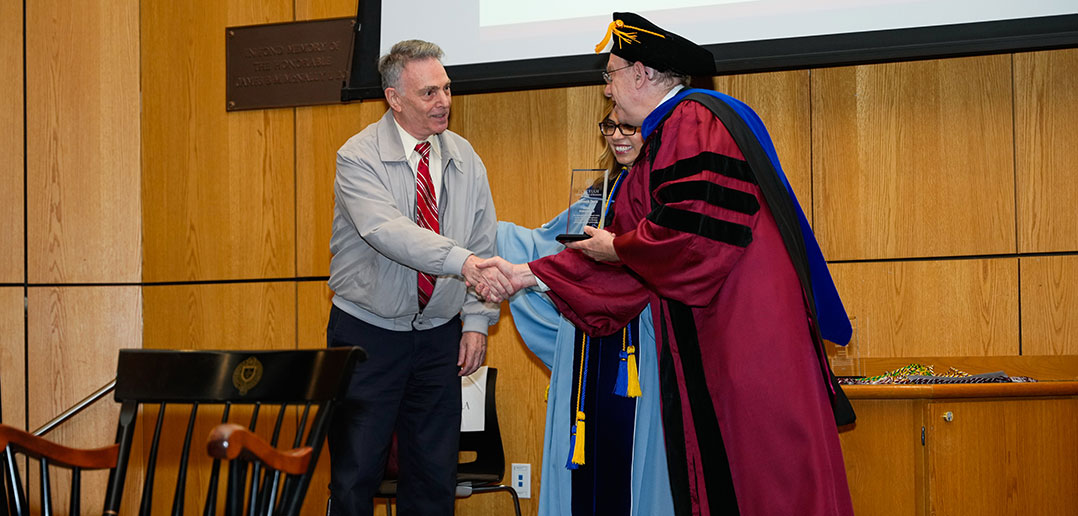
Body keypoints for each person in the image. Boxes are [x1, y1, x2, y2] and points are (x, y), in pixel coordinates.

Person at [477, 12, 856, 516]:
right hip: (719, 327)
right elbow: (635, 253)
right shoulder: (668, 134)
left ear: (641, 73)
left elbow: (688, 240)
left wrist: (617, 249)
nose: (607, 90)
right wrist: (529, 274)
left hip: (743, 331)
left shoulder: (694, 121)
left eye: (610, 75)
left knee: (768, 477)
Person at [325, 39, 508, 516]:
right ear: (394, 98)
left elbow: (483, 241)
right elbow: (388, 232)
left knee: (433, 476)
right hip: (367, 334)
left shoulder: (465, 156)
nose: (443, 101)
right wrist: (460, 262)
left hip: (438, 337)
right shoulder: (357, 156)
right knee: (355, 475)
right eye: (429, 92)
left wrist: (476, 322)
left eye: (446, 88)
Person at [496, 109, 674, 516]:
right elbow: (551, 247)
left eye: (630, 126)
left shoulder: (663, 193)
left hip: (639, 347)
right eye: (610, 126)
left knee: (636, 464)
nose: (618, 136)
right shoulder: (597, 195)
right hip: (585, 346)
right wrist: (489, 236)